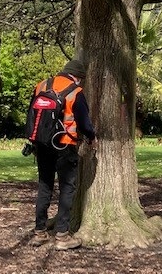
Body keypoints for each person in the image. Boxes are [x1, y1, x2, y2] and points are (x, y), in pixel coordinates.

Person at [29, 59, 97, 250]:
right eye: (81, 79)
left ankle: (40, 232)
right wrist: (92, 137)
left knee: (45, 186)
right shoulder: (75, 92)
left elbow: (32, 114)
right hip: (64, 145)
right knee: (67, 188)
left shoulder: (41, 85)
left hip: (41, 144)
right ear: (77, 77)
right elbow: (84, 122)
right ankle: (62, 235)